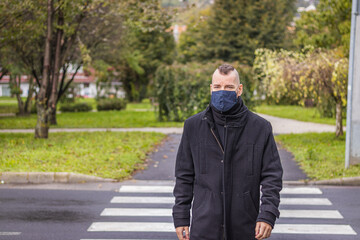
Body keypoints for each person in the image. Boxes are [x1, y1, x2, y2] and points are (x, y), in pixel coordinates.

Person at [172, 64, 283, 240]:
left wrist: (268, 214)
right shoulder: (193, 126)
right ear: (211, 88)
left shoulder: (260, 128)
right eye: (217, 87)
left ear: (239, 90)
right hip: (204, 226)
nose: (222, 92)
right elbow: (184, 176)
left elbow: (272, 176)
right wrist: (180, 217)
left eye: (229, 87)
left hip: (245, 227)